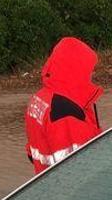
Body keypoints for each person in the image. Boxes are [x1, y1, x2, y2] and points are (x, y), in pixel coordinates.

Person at [25, 37, 104, 174]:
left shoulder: (40, 98)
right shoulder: (65, 112)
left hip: (44, 182)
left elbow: (32, 153)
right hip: (67, 190)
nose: (92, 74)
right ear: (76, 68)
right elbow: (82, 169)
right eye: (89, 69)